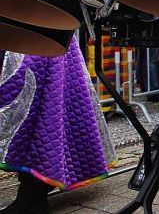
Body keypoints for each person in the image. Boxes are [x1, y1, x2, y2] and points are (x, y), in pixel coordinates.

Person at [0, 36, 117, 213]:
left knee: (41, 117)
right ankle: (33, 192)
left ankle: (33, 194)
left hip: (40, 32)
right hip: (33, 34)